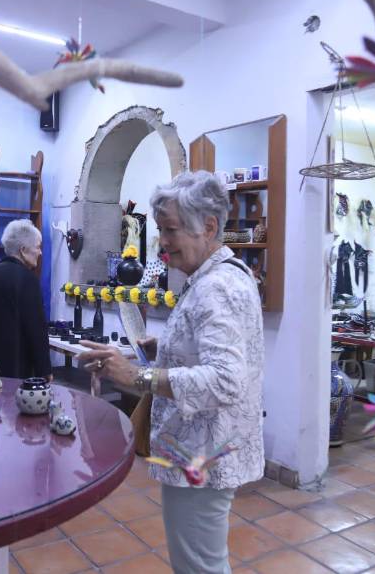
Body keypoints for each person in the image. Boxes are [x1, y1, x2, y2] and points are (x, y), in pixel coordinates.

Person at [77, 170, 264, 573]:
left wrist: (137, 377)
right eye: (161, 229)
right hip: (203, 449)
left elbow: (226, 380)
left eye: (171, 229)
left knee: (199, 566)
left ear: (208, 227)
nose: (162, 241)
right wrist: (163, 350)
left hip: (203, 454)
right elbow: (215, 352)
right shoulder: (215, 277)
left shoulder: (216, 287)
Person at [0, 220, 51, 380]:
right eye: (37, 247)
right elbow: (36, 329)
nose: (40, 252)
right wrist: (44, 370)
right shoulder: (27, 279)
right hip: (15, 365)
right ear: (23, 250)